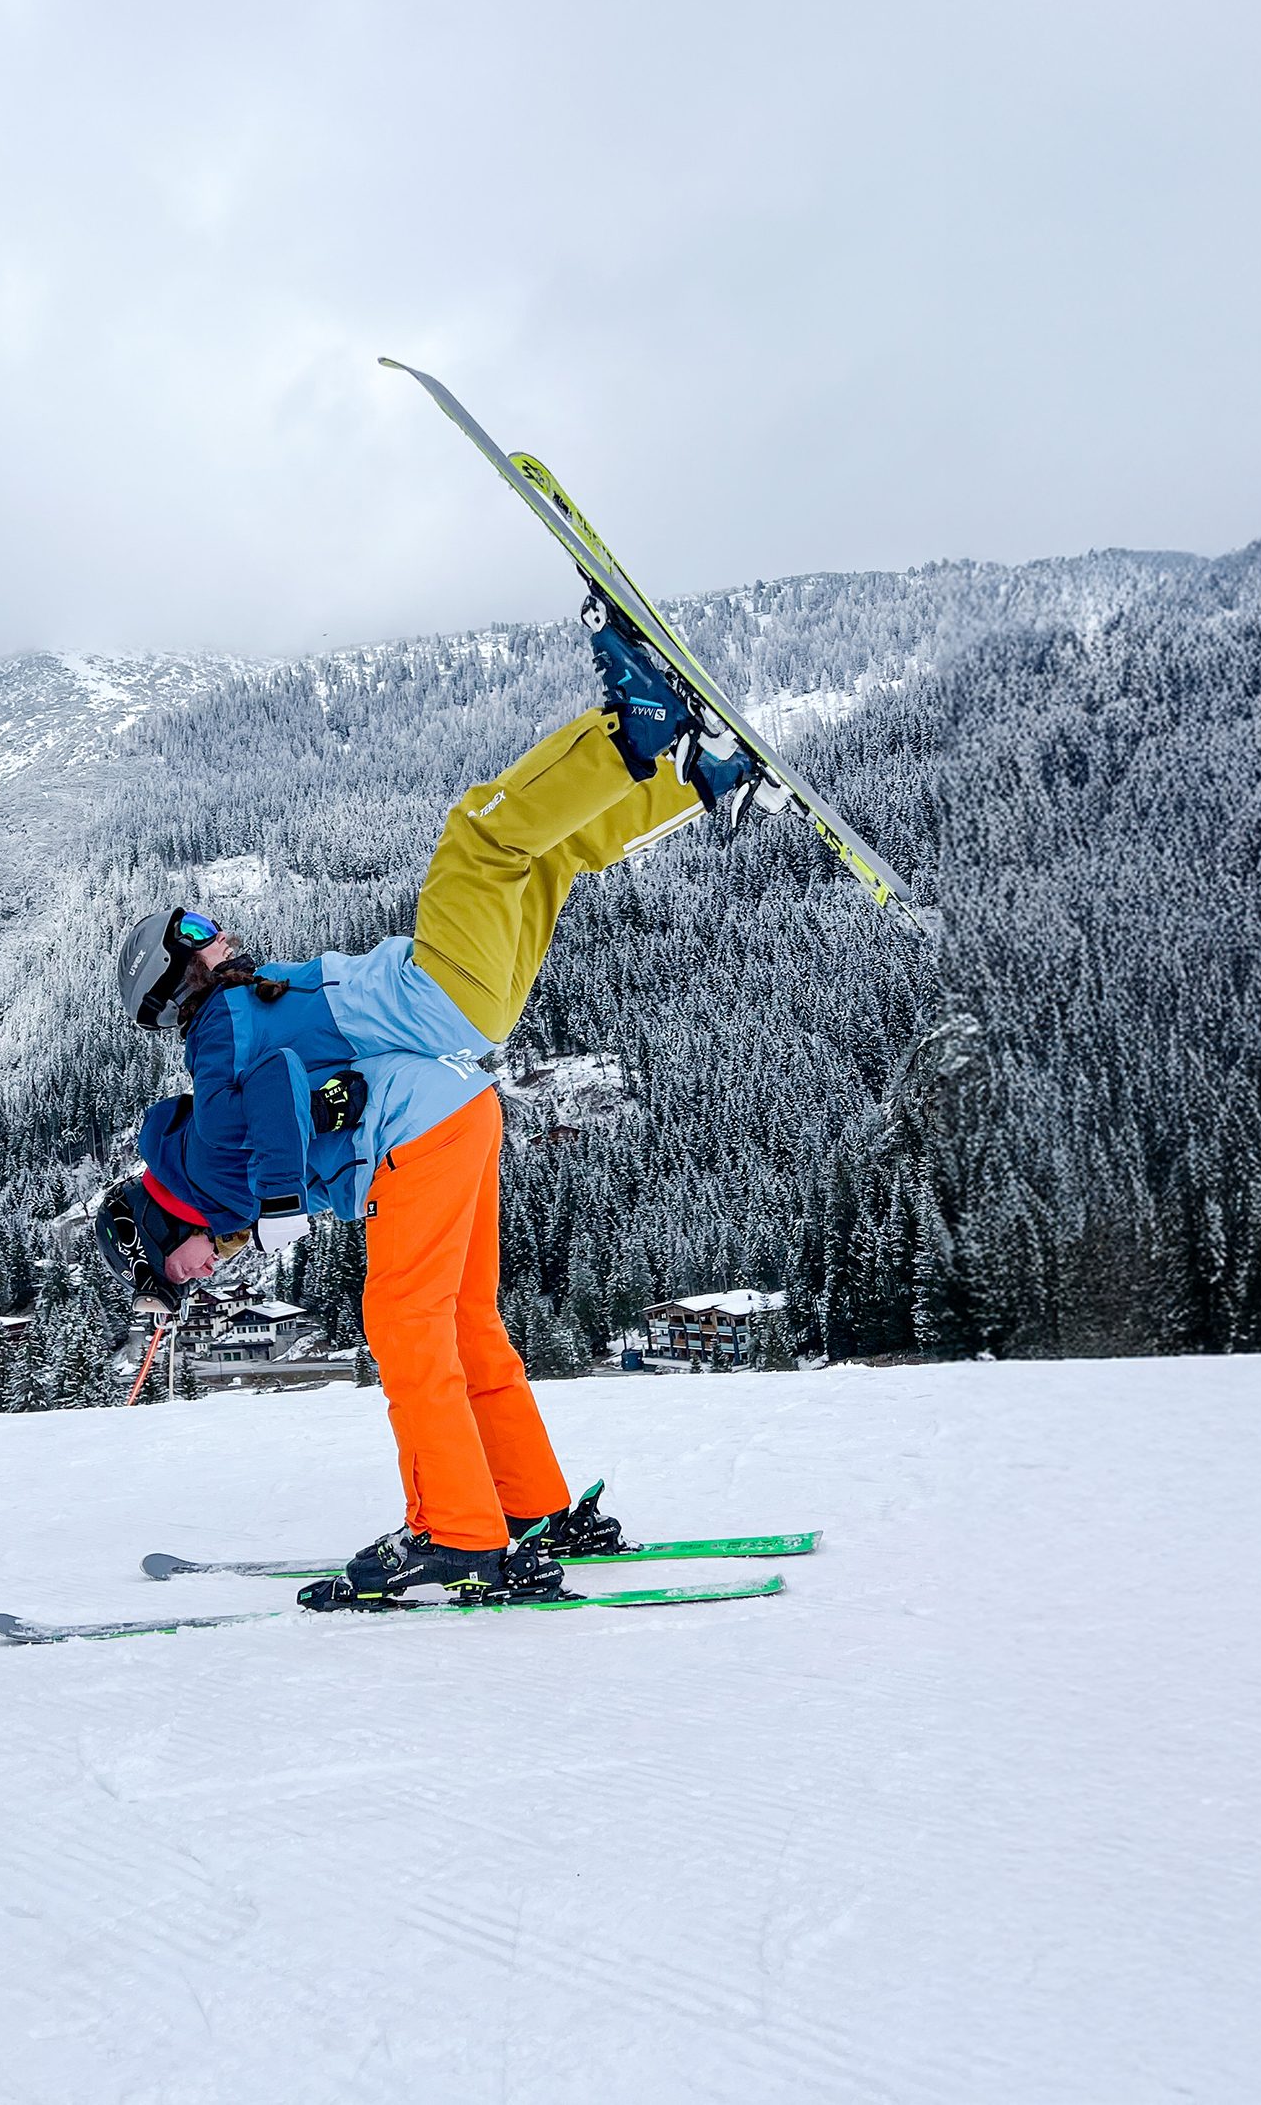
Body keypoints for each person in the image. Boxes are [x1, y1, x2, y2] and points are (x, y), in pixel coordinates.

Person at [96, 601, 786, 1608]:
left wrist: (279, 1204)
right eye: (195, 932)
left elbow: (278, 1098)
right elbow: (276, 1124)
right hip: (451, 1075)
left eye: (201, 923)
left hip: (441, 1069)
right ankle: (691, 778)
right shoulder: (214, 1108)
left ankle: (458, 1531)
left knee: (482, 839)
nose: (217, 932)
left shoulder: (212, 1072)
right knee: (538, 856)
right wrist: (191, 1263)